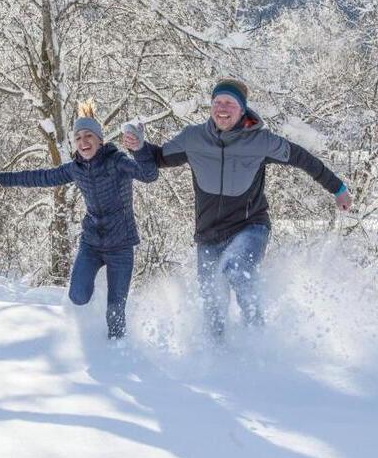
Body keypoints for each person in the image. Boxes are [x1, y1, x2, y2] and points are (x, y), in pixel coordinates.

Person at [123, 78, 352, 339]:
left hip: (250, 227)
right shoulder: (193, 138)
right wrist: (139, 146)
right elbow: (157, 158)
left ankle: (257, 339)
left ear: (242, 109)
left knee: (237, 269)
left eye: (229, 103)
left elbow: (303, 158)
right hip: (207, 235)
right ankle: (218, 354)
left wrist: (338, 188)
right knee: (212, 304)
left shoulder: (261, 141)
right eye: (217, 102)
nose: (222, 108)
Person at [0, 101, 156, 340]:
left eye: (88, 136)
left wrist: (140, 148)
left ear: (100, 140)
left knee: (115, 311)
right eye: (78, 137)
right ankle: (97, 294)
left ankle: (116, 352)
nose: (83, 141)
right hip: (91, 243)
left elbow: (149, 175)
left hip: (121, 245)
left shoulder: (117, 161)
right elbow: (40, 177)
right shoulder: (75, 168)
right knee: (77, 296)